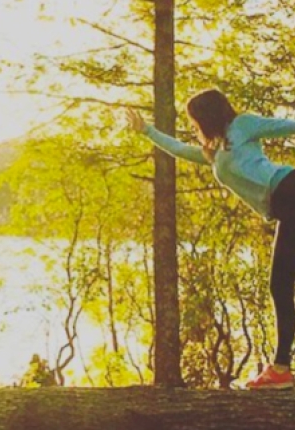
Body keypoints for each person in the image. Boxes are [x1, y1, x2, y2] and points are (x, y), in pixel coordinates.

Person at [126, 88, 295, 389]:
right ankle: (281, 370)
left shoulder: (243, 125)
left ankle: (281, 368)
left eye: (195, 121)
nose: (194, 127)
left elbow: (287, 124)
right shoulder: (214, 152)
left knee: (280, 284)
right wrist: (146, 130)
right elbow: (178, 148)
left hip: (289, 189)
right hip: (284, 206)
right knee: (279, 284)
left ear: (207, 116)